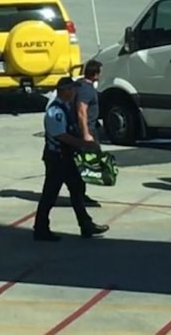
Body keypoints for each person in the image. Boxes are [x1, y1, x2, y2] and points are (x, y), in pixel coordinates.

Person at [33, 77, 109, 242]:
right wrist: (83, 144)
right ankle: (40, 228)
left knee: (77, 191)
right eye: (72, 89)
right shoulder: (55, 111)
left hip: (67, 158)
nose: (75, 92)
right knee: (50, 194)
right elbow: (61, 135)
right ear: (65, 91)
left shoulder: (66, 107)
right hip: (57, 159)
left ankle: (86, 225)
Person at [72, 60, 104, 207]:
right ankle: (79, 195)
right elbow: (81, 110)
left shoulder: (79, 85)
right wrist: (86, 133)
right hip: (87, 130)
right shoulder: (86, 89)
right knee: (87, 163)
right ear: (95, 74)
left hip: (88, 128)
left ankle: (80, 193)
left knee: (83, 164)